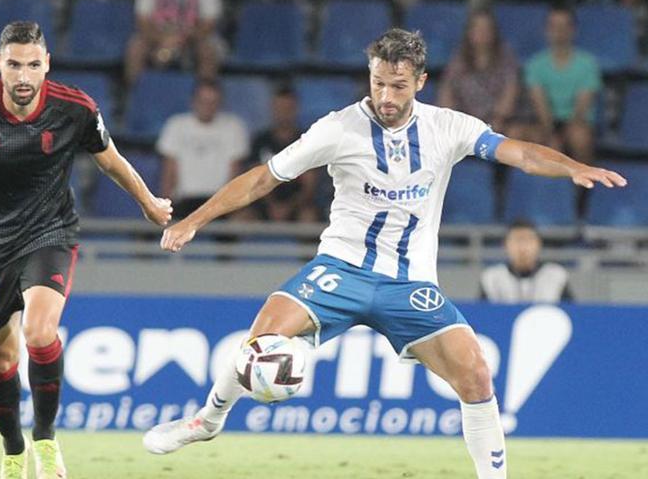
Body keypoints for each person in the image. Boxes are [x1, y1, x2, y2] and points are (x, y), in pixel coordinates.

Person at [142, 28, 626, 479]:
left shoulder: (448, 127)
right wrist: (194, 220)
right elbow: (265, 177)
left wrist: (571, 167)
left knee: (476, 374)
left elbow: (517, 152)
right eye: (378, 84)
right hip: (341, 269)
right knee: (260, 341)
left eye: (398, 86)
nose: (387, 98)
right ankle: (206, 421)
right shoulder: (337, 129)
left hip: (411, 283)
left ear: (421, 80)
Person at [0, 21, 171, 479]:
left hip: (50, 234)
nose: (24, 76)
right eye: (14, 65)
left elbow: (111, 160)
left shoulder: (75, 109)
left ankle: (46, 441)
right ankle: (13, 450)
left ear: (46, 63)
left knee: (39, 331)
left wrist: (148, 202)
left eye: (33, 65)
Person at [158, 80, 248, 219]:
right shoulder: (176, 126)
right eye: (203, 101)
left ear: (220, 103)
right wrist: (164, 207)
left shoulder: (233, 127)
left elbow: (235, 173)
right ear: (193, 101)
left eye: (212, 102)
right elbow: (169, 172)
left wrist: (230, 207)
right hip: (184, 200)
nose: (207, 107)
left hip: (219, 203)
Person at [524, 7, 602, 165]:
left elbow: (581, 109)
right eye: (554, 26)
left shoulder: (588, 64)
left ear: (573, 30)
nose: (559, 31)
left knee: (580, 137)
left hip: (576, 122)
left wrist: (561, 137)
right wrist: (551, 133)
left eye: (564, 26)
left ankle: (583, 186)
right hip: (546, 121)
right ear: (546, 30)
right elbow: (540, 105)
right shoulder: (535, 64)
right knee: (518, 135)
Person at [238, 85, 318, 222]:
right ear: (272, 109)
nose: (284, 113)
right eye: (280, 108)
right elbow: (256, 180)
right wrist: (272, 206)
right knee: (240, 219)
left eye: (288, 109)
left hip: (296, 206)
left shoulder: (307, 140)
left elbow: (309, 185)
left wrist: (288, 207)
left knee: (308, 217)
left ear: (296, 109)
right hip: (263, 202)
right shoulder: (261, 141)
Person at [437, 9, 521, 138]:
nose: (483, 32)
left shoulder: (506, 57)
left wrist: (497, 120)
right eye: (478, 28)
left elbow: (510, 93)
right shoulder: (458, 59)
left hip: (497, 122)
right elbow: (447, 91)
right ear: (469, 32)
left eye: (487, 28)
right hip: (464, 121)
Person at [125, 0, 223, 85]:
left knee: (208, 51)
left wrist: (183, 37)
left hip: (193, 34)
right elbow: (142, 20)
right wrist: (162, 39)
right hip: (158, 33)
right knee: (136, 49)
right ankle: (135, 94)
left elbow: (209, 23)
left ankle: (203, 94)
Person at [480, 220, 572, 303]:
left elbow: (572, 312)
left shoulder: (556, 276)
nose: (522, 248)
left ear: (539, 244)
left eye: (528, 240)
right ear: (505, 245)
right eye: (517, 240)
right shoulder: (492, 278)